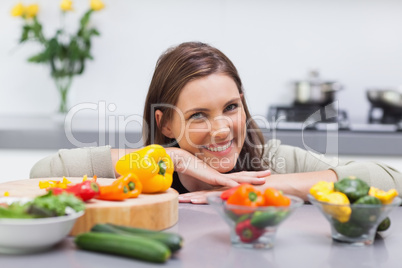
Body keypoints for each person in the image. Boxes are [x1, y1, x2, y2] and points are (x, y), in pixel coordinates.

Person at [30, 41, 402, 204]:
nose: (222, 129)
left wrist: (253, 188)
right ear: (165, 125)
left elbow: (391, 180)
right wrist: (170, 158)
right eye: (197, 116)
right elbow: (41, 174)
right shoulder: (141, 175)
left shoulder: (273, 161)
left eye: (230, 107)